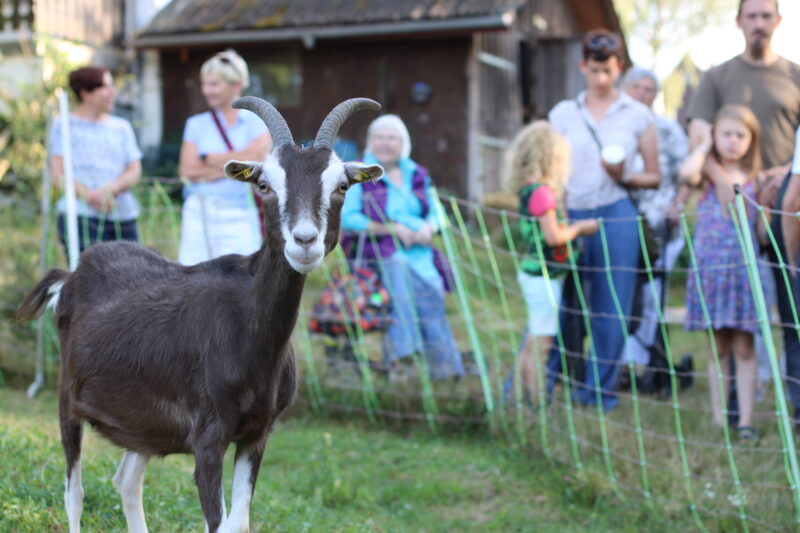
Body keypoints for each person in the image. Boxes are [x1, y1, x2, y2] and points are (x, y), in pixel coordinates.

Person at [687, 0, 800, 429]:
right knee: (732, 319)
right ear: (738, 21)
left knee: (791, 313)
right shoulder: (717, 78)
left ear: (778, 21)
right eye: (750, 15)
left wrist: (786, 174)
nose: (758, 23)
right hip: (734, 211)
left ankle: (796, 409)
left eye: (765, 15)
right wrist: (721, 179)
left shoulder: (794, 75)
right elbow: (699, 135)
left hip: (788, 208)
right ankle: (731, 412)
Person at [546, 29, 661, 411]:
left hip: (616, 212)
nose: (600, 78)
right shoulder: (563, 113)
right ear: (583, 66)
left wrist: (623, 175)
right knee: (567, 303)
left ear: (619, 68)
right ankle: (555, 381)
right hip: (571, 211)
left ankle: (599, 393)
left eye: (608, 70)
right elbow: (551, 170)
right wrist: (557, 212)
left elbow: (654, 175)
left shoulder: (638, 115)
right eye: (594, 70)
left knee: (612, 306)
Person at [340, 114, 465, 381]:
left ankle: (441, 367)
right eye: (379, 137)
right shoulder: (359, 172)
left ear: (403, 142)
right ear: (370, 142)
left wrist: (428, 228)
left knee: (431, 289)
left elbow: (438, 214)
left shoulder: (416, 173)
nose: (385, 143)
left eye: (392, 138)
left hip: (419, 250)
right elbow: (348, 218)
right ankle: (403, 359)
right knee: (400, 277)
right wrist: (393, 229)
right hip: (378, 251)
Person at [681, 105, 764, 441]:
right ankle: (719, 417)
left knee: (744, 347)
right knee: (718, 347)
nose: (732, 141)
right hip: (711, 272)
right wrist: (702, 147)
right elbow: (686, 174)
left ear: (751, 140)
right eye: (726, 133)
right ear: (715, 135)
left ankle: (745, 418)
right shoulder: (702, 175)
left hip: (742, 273)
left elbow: (745, 212)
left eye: (740, 135)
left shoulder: (755, 179)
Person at [506, 121, 598, 404]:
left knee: (533, 340)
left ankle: (521, 398)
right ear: (550, 157)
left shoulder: (528, 189)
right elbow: (554, 236)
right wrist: (581, 229)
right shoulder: (543, 193)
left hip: (533, 273)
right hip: (542, 276)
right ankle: (536, 403)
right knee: (541, 344)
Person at [620, 66, 691, 383]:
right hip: (622, 221)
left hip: (659, 224)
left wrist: (676, 206)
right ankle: (618, 363)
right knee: (620, 292)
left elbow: (687, 175)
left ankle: (648, 364)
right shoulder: (614, 126)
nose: (642, 94)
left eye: (649, 89)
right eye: (636, 87)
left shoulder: (668, 130)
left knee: (651, 296)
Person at [177, 49, 272, 265]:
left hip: (239, 211)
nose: (207, 90)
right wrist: (237, 167)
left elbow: (257, 160)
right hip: (199, 211)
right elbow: (187, 171)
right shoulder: (196, 124)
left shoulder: (257, 121)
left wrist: (207, 158)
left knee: (241, 274)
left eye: (214, 84)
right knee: (194, 273)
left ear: (235, 85)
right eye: (205, 83)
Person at [50, 66, 142, 253]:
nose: (113, 92)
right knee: (88, 278)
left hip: (122, 216)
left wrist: (108, 191)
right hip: (80, 217)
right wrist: (92, 196)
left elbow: (135, 171)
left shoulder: (121, 127)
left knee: (131, 278)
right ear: (86, 94)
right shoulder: (64, 125)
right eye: (106, 87)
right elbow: (57, 174)